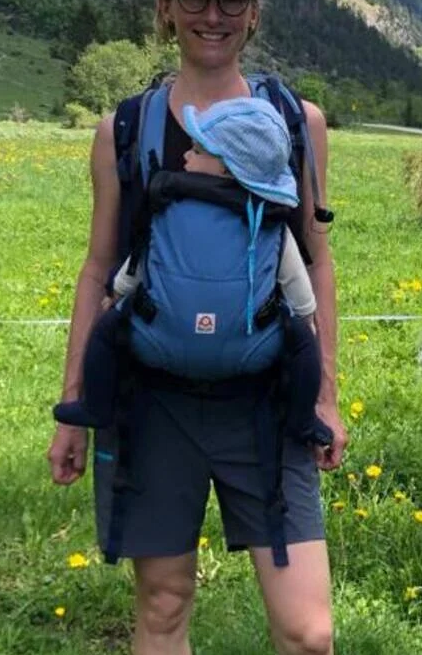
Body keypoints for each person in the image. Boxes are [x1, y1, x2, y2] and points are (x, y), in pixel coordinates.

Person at [47, 0, 351, 655]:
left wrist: (330, 392)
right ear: (165, 8)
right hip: (154, 400)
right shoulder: (126, 129)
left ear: (255, 12)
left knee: (308, 627)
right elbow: (99, 265)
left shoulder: (297, 121)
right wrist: (72, 403)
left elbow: (317, 255)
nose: (211, 13)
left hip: (267, 402)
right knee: (163, 600)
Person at [51, 94, 328, 452]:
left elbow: (139, 260)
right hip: (252, 345)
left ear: (230, 166)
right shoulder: (268, 221)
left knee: (107, 330)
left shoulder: (166, 204)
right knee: (304, 345)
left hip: (156, 339)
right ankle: (303, 419)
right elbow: (296, 284)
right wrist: (305, 317)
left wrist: (117, 295)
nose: (185, 156)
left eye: (197, 151)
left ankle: (96, 405)